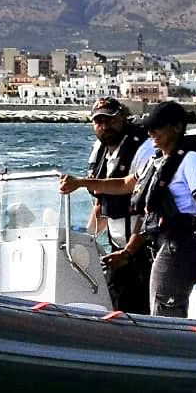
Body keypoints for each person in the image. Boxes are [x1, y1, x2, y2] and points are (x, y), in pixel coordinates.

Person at [60, 99, 196, 317]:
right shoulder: (158, 161)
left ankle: (170, 345)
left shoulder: (191, 160)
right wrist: (80, 183)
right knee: (156, 305)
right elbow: (125, 184)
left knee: (165, 309)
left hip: (179, 245)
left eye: (157, 127)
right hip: (161, 243)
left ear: (177, 127)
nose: (151, 132)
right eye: (149, 127)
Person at [79, 96, 153, 314]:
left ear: (123, 118)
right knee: (116, 305)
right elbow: (102, 205)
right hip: (117, 249)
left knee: (141, 309)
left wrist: (130, 251)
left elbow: (147, 208)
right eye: (99, 121)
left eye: (110, 119)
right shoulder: (100, 151)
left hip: (143, 250)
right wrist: (84, 237)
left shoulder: (143, 149)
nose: (105, 126)